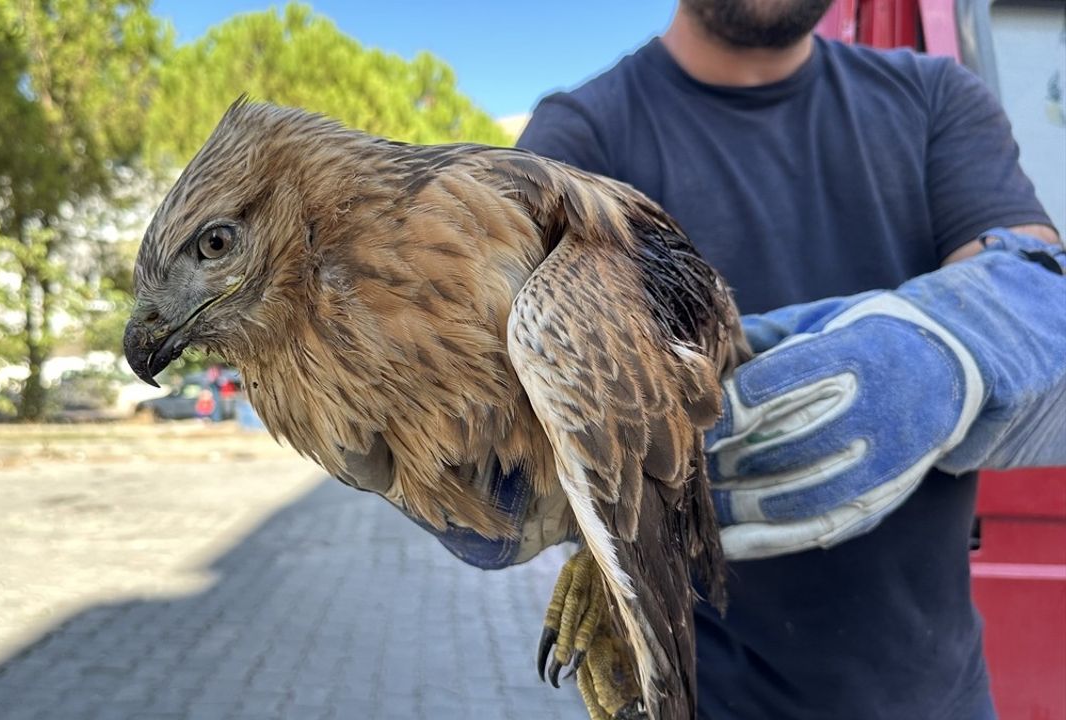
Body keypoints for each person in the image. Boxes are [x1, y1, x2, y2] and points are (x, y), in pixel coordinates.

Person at [341, 1, 1066, 717]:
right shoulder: (574, 140)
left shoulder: (936, 97)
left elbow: (1038, 281)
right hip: (700, 690)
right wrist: (478, 460)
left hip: (938, 693)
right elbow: (500, 386)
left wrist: (946, 349)